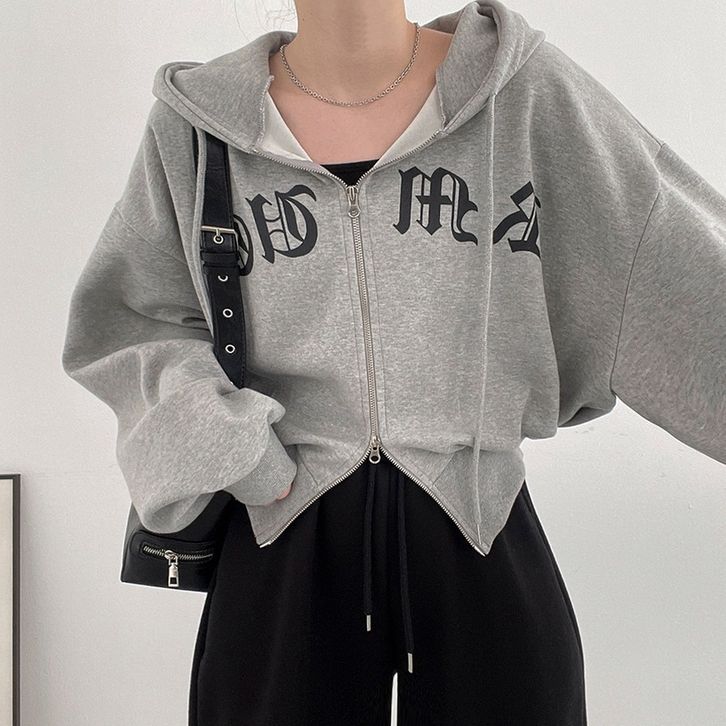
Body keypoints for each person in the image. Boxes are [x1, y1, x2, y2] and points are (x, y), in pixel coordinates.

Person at [61, 0, 726, 724]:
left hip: (481, 534)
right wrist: (233, 447)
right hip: (282, 542)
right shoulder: (196, 126)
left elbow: (662, 257)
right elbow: (129, 325)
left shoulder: (522, 91)